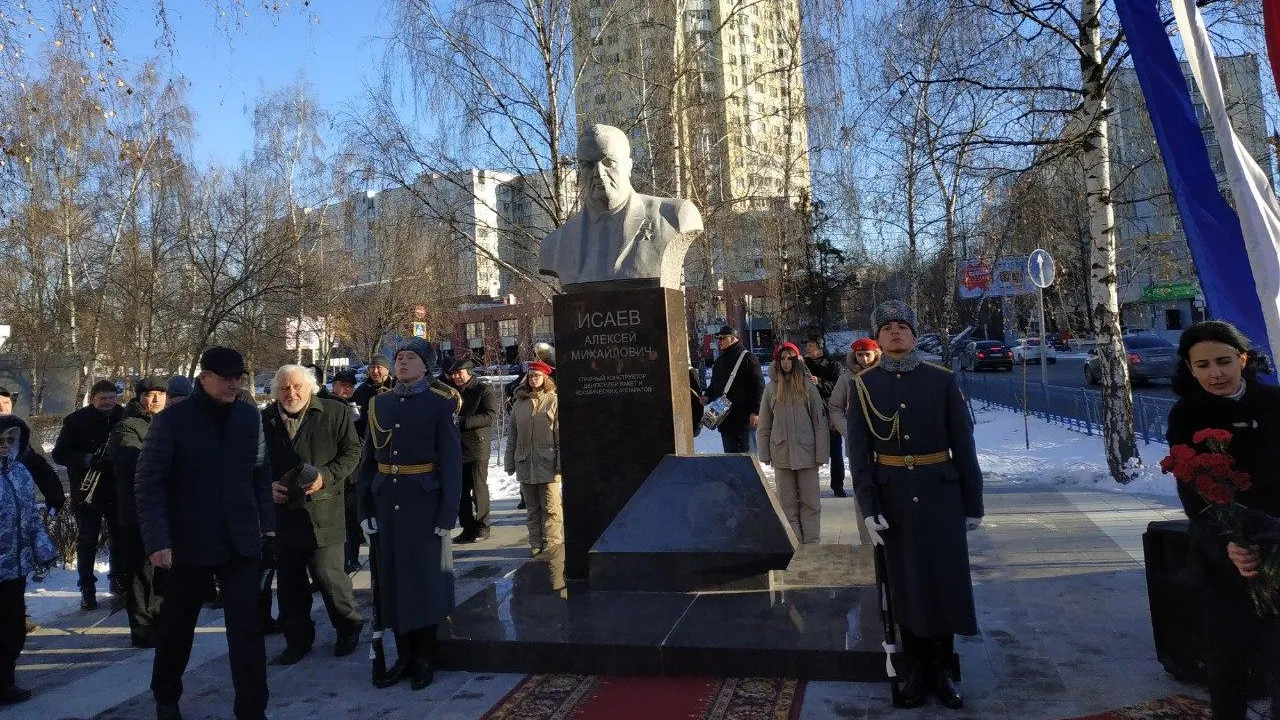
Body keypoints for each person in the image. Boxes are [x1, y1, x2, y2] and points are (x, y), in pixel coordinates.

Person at [846, 300, 983, 710]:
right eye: (886, 327)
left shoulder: (940, 379)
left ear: (914, 335)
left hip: (941, 495)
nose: (894, 332)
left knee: (943, 581)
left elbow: (963, 443)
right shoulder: (864, 385)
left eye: (902, 326)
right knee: (904, 584)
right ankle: (915, 669)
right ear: (879, 338)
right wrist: (868, 507)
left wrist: (972, 502)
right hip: (894, 499)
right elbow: (859, 453)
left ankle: (943, 668)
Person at [135, 346, 275, 720]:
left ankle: (252, 708)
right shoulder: (173, 420)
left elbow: (260, 474)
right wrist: (158, 540)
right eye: (226, 377)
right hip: (188, 542)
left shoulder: (249, 417)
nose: (234, 384)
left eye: (238, 377)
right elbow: (149, 483)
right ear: (205, 377)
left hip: (240, 539)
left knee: (247, 630)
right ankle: (166, 697)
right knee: (178, 627)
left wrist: (269, 528)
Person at [1167, 320, 1280, 720]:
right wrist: (1227, 545)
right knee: (1227, 661)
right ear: (1190, 367)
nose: (1215, 373)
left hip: (1277, 546)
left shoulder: (1274, 403)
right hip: (1224, 557)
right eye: (1202, 365)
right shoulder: (1186, 414)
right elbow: (1193, 491)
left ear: (1242, 359)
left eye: (1223, 361)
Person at [356, 338, 462, 691]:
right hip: (387, 504)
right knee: (393, 581)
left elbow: (450, 463)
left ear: (425, 366)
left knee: (424, 581)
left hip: (424, 505)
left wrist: (448, 514)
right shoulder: (378, 404)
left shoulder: (440, 403)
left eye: (410, 357)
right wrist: (364, 507)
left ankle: (424, 657)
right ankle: (402, 656)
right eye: (399, 357)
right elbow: (369, 461)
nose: (402, 362)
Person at [262, 365, 364, 666]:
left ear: (311, 387)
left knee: (330, 579)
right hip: (284, 515)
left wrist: (326, 476)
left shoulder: (334, 412)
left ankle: (349, 626)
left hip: (323, 511)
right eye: (283, 388)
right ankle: (298, 640)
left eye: (296, 387)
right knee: (291, 586)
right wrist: (265, 486)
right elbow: (252, 463)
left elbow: (352, 454)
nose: (291, 393)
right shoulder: (264, 419)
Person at [538, 124, 703, 290]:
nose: (599, 173)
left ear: (629, 166)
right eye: (588, 165)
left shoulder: (674, 217)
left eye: (609, 162)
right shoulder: (556, 244)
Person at [104, 376, 169, 648]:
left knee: (161, 571)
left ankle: (161, 622)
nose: (154, 399)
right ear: (139, 397)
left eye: (159, 394)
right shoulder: (127, 427)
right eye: (149, 394)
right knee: (141, 573)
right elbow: (134, 463)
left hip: (165, 510)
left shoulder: (169, 422)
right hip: (137, 512)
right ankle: (142, 628)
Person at [52, 378, 125, 611]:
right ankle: (87, 590)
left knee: (120, 539)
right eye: (102, 399)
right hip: (86, 490)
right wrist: (87, 459)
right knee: (87, 541)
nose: (107, 403)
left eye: (112, 398)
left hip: (116, 489)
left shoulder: (123, 417)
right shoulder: (76, 421)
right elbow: (59, 454)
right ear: (93, 399)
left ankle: (118, 581)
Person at [0, 415, 58, 705]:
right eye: (0, 439)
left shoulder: (19, 472)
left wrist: (43, 548)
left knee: (13, 626)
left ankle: (6, 682)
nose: (5, 445)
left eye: (10, 439)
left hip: (14, 567)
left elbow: (29, 518)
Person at [758, 342, 829, 543]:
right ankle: (795, 542)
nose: (786, 362)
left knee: (811, 502)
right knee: (786, 503)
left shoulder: (808, 387)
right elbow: (764, 424)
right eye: (782, 358)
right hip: (781, 454)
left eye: (790, 358)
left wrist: (821, 453)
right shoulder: (771, 389)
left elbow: (820, 423)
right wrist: (765, 453)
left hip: (807, 453)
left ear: (797, 361)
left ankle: (812, 541)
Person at [504, 361, 562, 557]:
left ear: (545, 378)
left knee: (551, 507)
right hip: (525, 462)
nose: (533, 379)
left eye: (537, 375)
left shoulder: (553, 401)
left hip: (548, 462)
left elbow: (559, 434)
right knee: (532, 509)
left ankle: (553, 544)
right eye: (530, 376)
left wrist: (561, 462)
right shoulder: (519, 404)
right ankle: (535, 544)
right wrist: (509, 461)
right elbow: (512, 435)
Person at [447, 360, 498, 543]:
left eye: (459, 373)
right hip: (456, 447)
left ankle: (483, 526)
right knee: (461, 491)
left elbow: (491, 415)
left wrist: (464, 422)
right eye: (453, 374)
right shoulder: (452, 391)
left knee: (478, 488)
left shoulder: (483, 389)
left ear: (468, 372)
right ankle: (467, 528)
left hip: (477, 446)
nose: (455, 377)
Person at [0, 386, 65, 515]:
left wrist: (54, 497)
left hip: (18, 518)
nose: (2, 407)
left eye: (6, 403)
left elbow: (38, 467)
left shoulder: (18, 434)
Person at [704, 326, 764, 453]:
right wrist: (707, 397)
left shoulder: (748, 358)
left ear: (733, 338)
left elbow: (758, 386)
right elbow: (715, 385)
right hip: (725, 420)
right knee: (731, 461)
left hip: (745, 419)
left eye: (722, 338)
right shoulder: (719, 362)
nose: (719, 341)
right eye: (718, 338)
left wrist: (755, 411)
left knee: (749, 460)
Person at [803, 335, 845, 497]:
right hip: (808, 412)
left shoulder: (833, 364)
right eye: (807, 345)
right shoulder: (803, 365)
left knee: (835, 451)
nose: (808, 348)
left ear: (820, 348)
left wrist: (818, 381)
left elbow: (837, 387)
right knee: (809, 451)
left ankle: (838, 485)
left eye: (811, 345)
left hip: (828, 414)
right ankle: (808, 487)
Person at [329, 370, 363, 572]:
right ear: (334, 385)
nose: (346, 389)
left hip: (353, 472)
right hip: (333, 469)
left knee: (351, 518)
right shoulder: (325, 403)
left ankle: (352, 557)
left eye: (350, 386)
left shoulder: (356, 404)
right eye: (342, 385)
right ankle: (337, 561)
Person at [352, 356, 394, 440]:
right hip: (371, 437)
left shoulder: (397, 387)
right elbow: (358, 418)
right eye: (372, 368)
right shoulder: (361, 391)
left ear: (387, 369)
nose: (375, 371)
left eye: (379, 367)